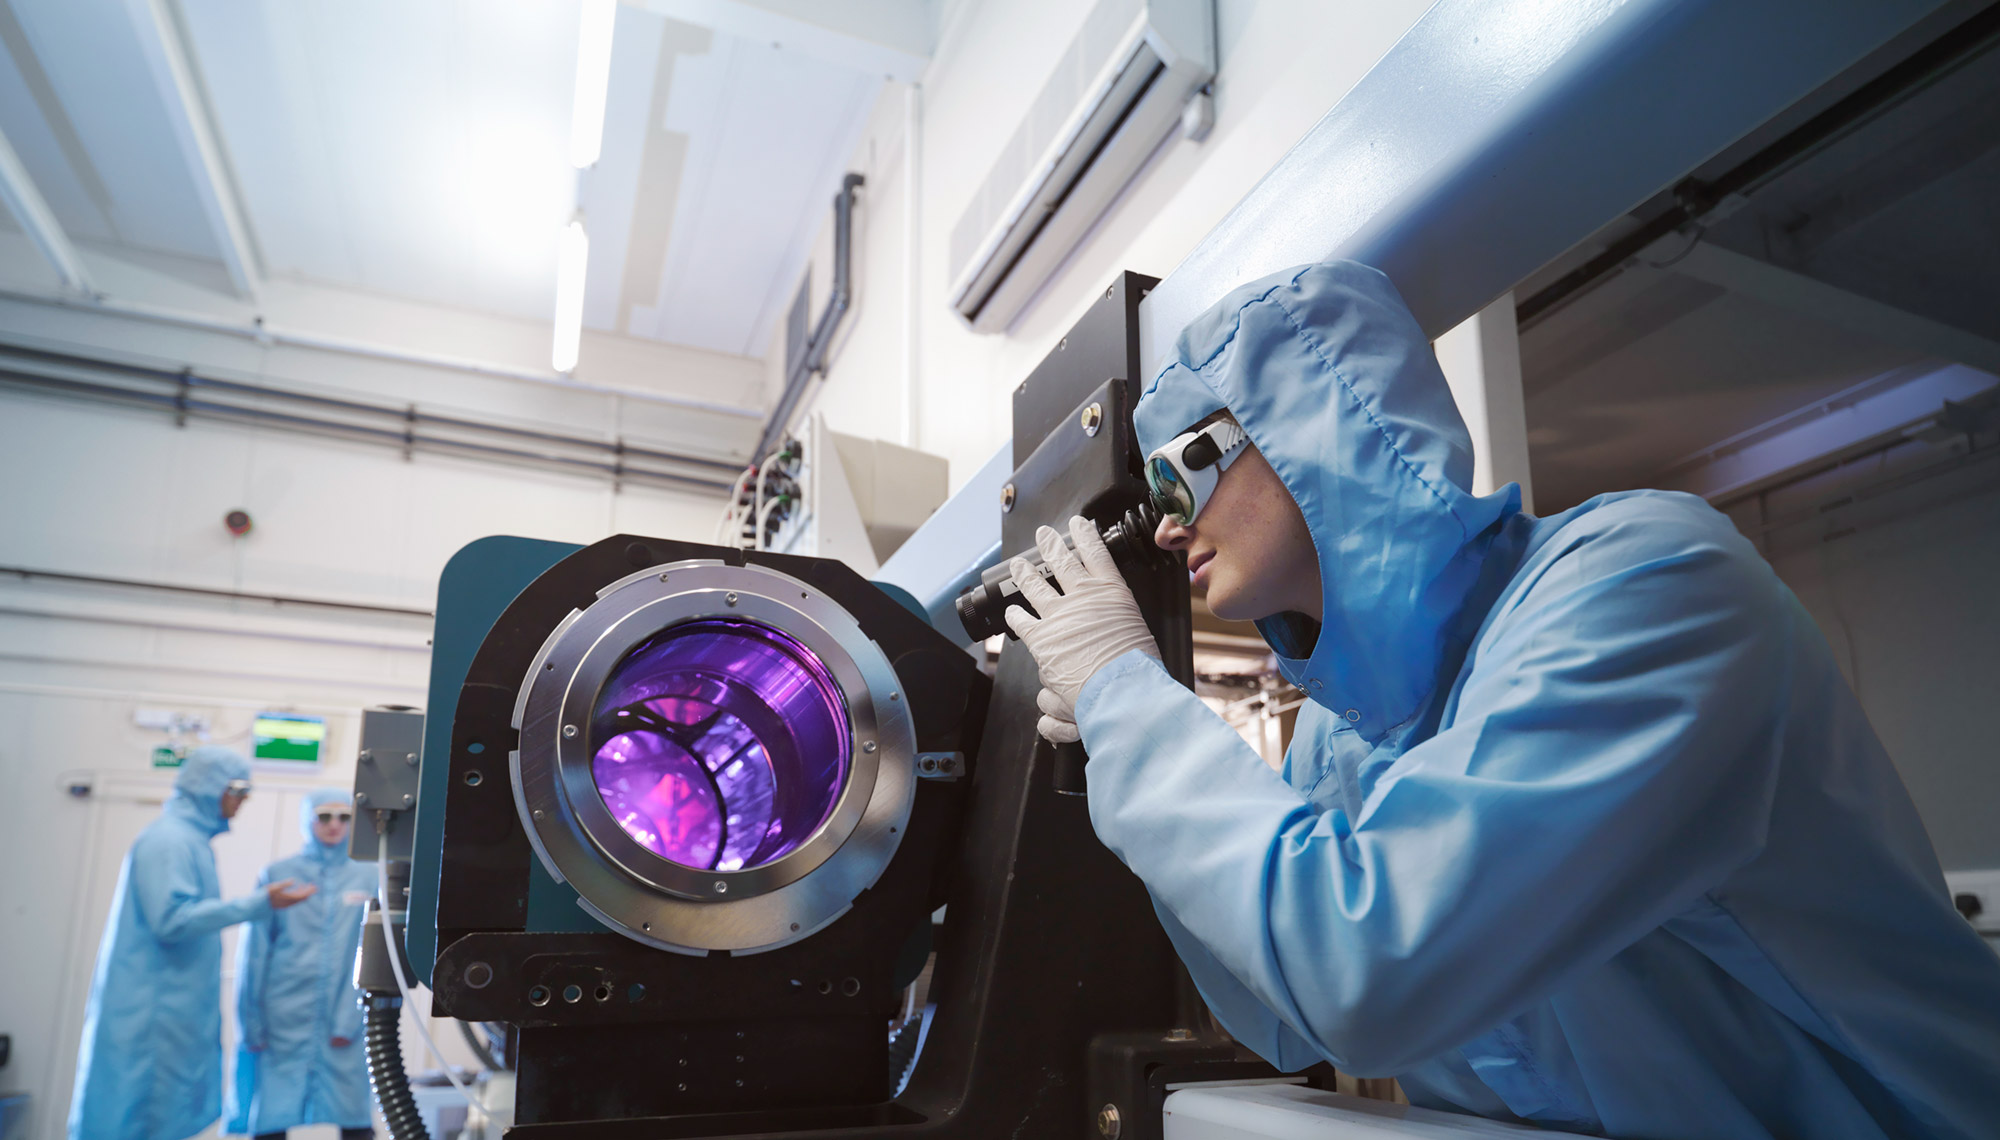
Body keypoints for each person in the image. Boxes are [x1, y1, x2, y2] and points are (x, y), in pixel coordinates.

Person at [1005, 260, 2000, 1137]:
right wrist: (1120, 750)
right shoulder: (1333, 737)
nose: (1167, 531)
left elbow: (1368, 970)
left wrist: (1130, 706)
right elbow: (1273, 1018)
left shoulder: (1645, 585)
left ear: (1311, 428)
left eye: (1178, 479)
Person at [69, 747, 317, 1140]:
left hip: (172, 1014)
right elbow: (171, 920)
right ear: (209, 788)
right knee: (135, 1118)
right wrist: (259, 903)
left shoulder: (191, 841)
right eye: (238, 790)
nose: (243, 801)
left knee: (160, 1119)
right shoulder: (170, 841)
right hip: (151, 1017)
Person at [228, 788, 378, 1139]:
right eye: (324, 816)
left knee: (354, 1116)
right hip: (283, 1017)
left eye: (344, 817)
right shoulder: (279, 875)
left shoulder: (368, 878)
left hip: (348, 1015)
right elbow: (254, 953)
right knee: (271, 1117)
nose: (334, 826)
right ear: (307, 821)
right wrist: (251, 1022)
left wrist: (351, 1017)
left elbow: (375, 952)